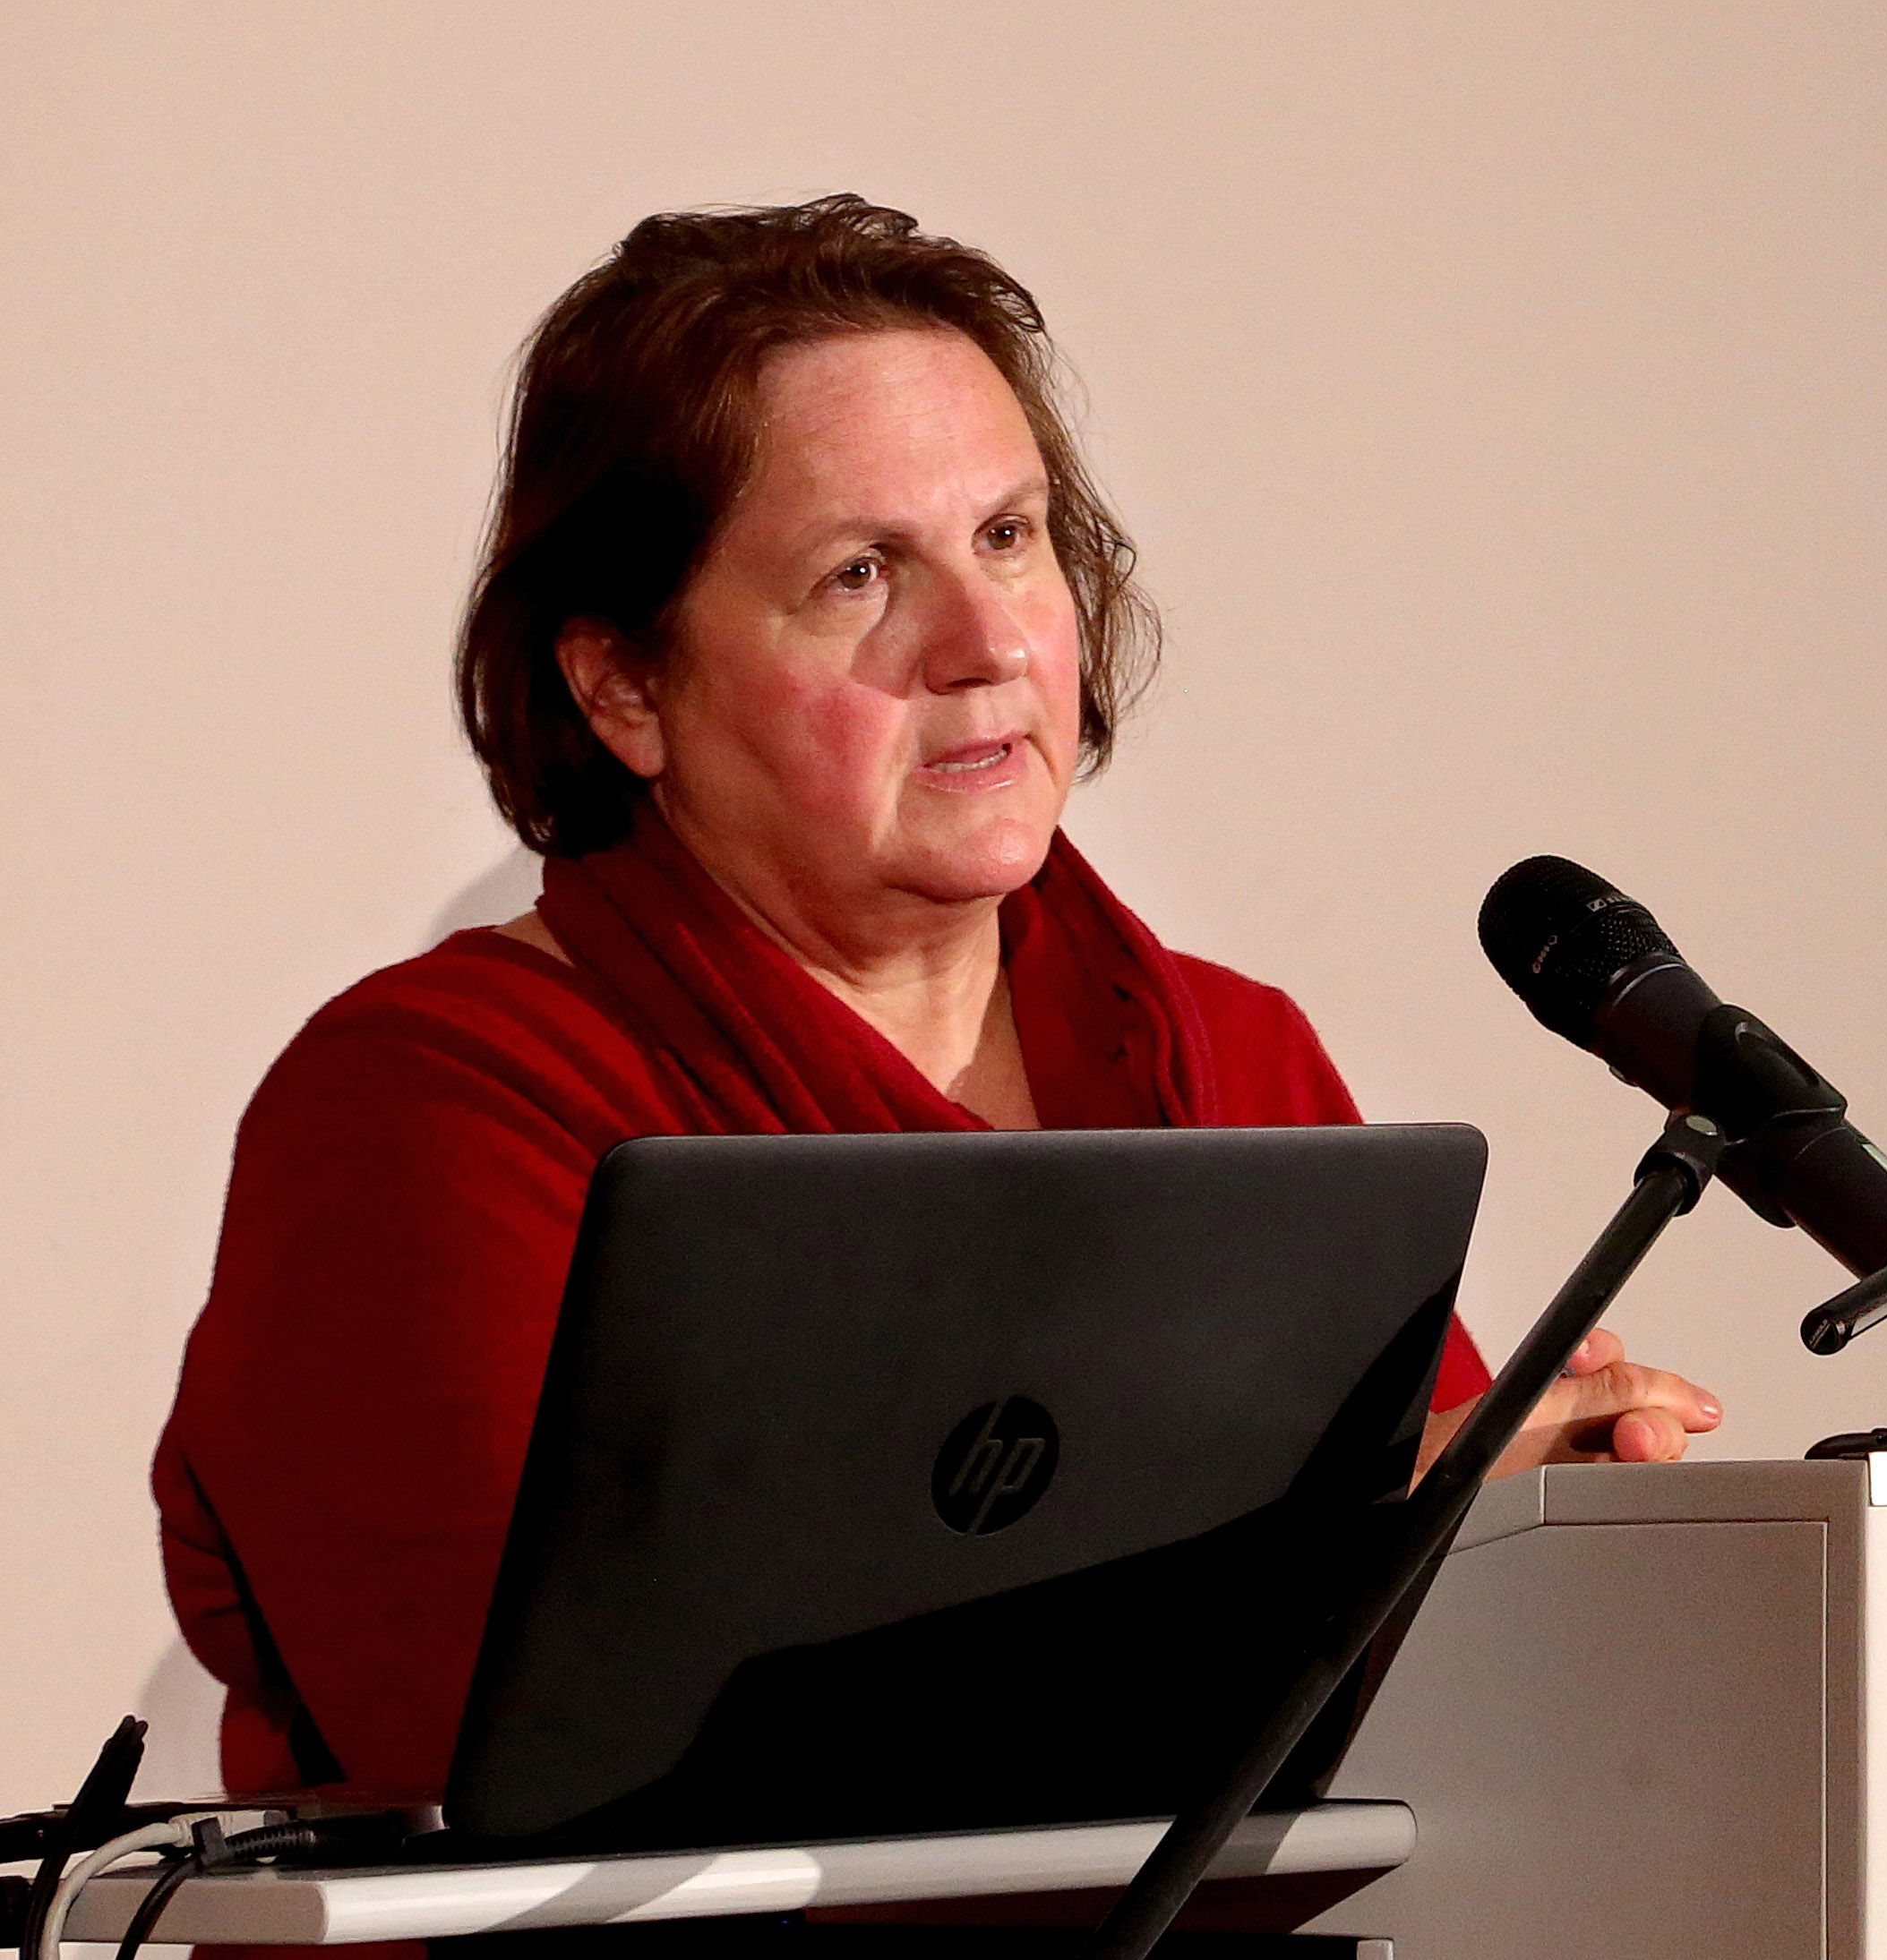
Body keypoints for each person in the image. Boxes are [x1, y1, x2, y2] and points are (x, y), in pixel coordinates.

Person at [151, 198, 1718, 1802]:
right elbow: (551, 1755)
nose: (985, 643)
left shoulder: (1237, 1055)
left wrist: (1553, 1514)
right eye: (858, 573)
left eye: (1010, 537)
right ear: (625, 684)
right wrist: (1338, 1543)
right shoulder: (425, 1104)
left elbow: (1444, 1704)